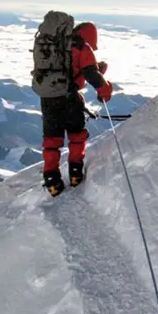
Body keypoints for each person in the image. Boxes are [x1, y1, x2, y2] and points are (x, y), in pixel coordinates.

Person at [40, 20, 113, 196]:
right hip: (70, 99)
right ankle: (75, 174)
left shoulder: (55, 45)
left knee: (52, 140)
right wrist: (105, 90)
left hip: (48, 98)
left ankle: (52, 181)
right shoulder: (82, 47)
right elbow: (90, 74)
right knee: (76, 136)